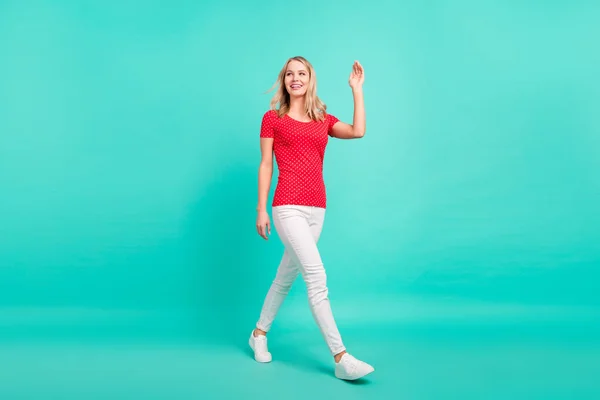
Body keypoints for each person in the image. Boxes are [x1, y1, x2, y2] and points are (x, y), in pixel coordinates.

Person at [250, 56, 374, 381]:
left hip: (317, 208)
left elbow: (358, 131)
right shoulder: (272, 119)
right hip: (286, 206)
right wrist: (261, 208)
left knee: (285, 276)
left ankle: (259, 334)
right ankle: (341, 357)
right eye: (290, 74)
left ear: (309, 79)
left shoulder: (322, 118)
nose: (295, 78)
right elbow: (266, 165)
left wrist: (356, 90)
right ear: (284, 80)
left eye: (301, 73)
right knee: (316, 278)